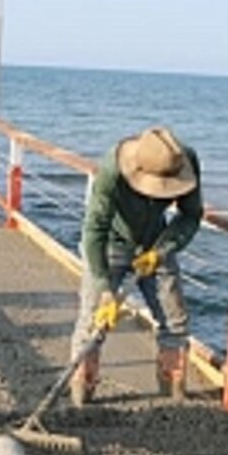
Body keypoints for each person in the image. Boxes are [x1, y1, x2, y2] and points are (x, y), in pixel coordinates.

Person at [69, 127, 203, 407]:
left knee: (175, 321)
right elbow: (94, 231)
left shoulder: (184, 161)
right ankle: (82, 390)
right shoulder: (112, 170)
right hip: (111, 243)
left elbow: (191, 215)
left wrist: (162, 250)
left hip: (156, 241)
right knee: (93, 321)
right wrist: (105, 290)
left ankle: (173, 397)